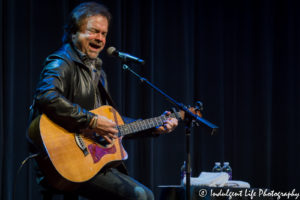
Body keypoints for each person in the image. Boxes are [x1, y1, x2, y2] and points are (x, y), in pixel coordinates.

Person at [28, 2, 178, 200]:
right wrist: (92, 121)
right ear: (74, 33)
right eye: (93, 31)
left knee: (146, 195)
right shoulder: (61, 62)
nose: (100, 39)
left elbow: (110, 125)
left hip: (91, 162)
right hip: (64, 163)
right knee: (141, 196)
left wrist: (154, 127)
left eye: (104, 34)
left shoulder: (98, 73)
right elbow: (46, 96)